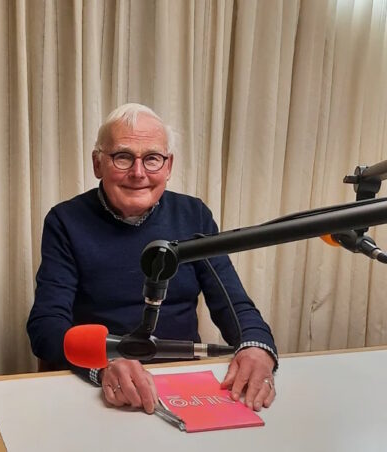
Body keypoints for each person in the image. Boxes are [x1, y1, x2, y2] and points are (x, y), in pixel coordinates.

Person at [27, 103, 277, 415]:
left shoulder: (193, 215)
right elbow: (46, 326)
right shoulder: (65, 221)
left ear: (169, 166)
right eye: (123, 157)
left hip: (183, 385)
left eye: (152, 159)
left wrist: (257, 346)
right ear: (97, 164)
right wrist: (103, 366)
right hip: (102, 388)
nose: (138, 172)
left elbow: (233, 304)